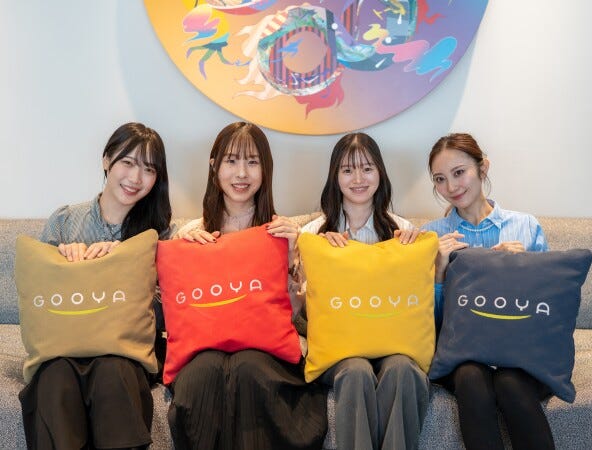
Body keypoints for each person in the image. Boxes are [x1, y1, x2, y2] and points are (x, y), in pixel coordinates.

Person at [168, 122, 328, 450]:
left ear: (265, 170)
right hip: (204, 349)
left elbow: (297, 317)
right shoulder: (192, 233)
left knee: (247, 367)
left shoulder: (282, 232)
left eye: (252, 162)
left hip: (265, 351)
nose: (241, 173)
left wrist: (294, 257)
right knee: (203, 374)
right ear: (214, 166)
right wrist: (185, 251)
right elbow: (179, 311)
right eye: (231, 161)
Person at [19, 122, 172, 449]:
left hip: (124, 352)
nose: (135, 178)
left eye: (148, 169)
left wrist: (123, 265)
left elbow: (165, 312)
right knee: (55, 376)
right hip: (62, 348)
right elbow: (39, 299)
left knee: (112, 371)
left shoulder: (159, 234)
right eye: (127, 162)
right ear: (106, 160)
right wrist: (64, 262)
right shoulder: (64, 221)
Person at [421, 132, 554, 450]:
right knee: (470, 376)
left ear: (483, 168)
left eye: (459, 172)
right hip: (461, 353)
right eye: (440, 179)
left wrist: (522, 269)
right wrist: (439, 272)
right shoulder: (430, 237)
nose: (451, 187)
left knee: (510, 381)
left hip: (522, 350)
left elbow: (549, 307)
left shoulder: (525, 226)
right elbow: (430, 323)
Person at [301, 132, 428, 450]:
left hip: (395, 343)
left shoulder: (403, 231)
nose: (358, 179)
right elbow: (303, 304)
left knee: (403, 369)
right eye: (347, 170)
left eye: (367, 168)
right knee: (356, 371)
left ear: (380, 173)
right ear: (335, 177)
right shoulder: (313, 235)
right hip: (340, 349)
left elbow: (417, 295)